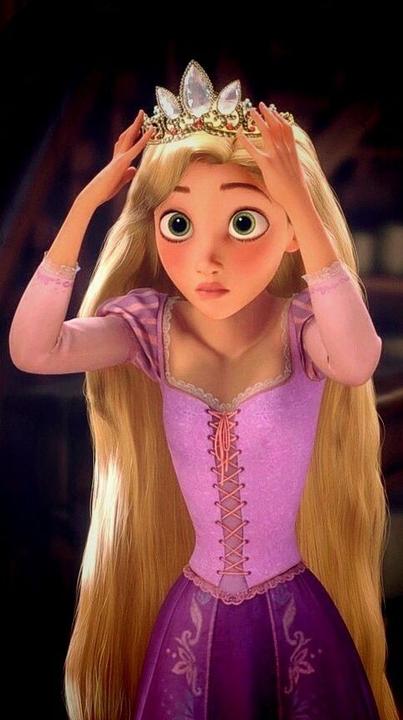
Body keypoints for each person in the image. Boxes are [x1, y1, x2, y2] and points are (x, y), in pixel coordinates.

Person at [8, 59, 398, 720]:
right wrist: (84, 207)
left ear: (290, 233)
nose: (205, 260)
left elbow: (358, 360)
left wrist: (300, 202)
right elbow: (34, 350)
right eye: (178, 225)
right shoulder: (148, 329)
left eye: (243, 223)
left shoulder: (303, 327)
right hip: (192, 617)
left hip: (292, 618)